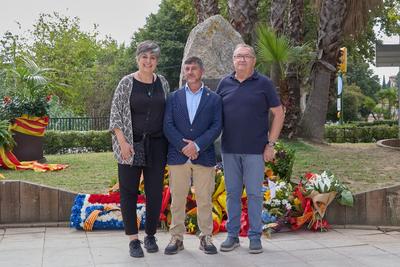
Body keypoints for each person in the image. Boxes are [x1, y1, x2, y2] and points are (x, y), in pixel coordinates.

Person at [216, 44, 284, 254]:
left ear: (254, 60)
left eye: (246, 56)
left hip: (256, 150)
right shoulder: (224, 83)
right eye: (238, 56)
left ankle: (255, 237)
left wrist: (270, 144)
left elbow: (279, 113)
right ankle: (232, 236)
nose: (242, 60)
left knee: (254, 194)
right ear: (233, 60)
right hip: (229, 150)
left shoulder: (264, 84)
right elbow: (213, 112)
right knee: (232, 195)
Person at [109, 40, 170, 258]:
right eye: (145, 57)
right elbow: (115, 114)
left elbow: (168, 113)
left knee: (154, 192)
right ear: (138, 59)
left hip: (157, 144)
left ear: (157, 61)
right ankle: (133, 240)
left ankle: (150, 235)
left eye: (153, 58)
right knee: (129, 192)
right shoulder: (126, 83)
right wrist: (123, 143)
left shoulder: (162, 82)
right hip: (130, 146)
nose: (148, 61)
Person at [163, 56, 222, 255]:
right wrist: (184, 147)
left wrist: (197, 145)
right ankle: (176, 238)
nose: (190, 72)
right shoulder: (173, 97)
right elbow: (167, 125)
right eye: (187, 68)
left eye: (194, 68)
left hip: (203, 156)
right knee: (177, 199)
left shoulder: (214, 99)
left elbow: (217, 126)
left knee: (204, 199)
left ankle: (206, 237)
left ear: (201, 72)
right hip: (178, 157)